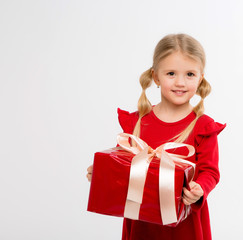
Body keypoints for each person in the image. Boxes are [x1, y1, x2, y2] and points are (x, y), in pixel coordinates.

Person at [87, 33, 225, 240]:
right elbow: (123, 163)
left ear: (200, 78)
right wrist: (101, 172)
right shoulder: (138, 121)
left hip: (184, 225)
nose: (180, 82)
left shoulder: (203, 126)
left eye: (190, 74)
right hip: (142, 220)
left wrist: (200, 188)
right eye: (171, 73)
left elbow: (210, 171)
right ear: (156, 77)